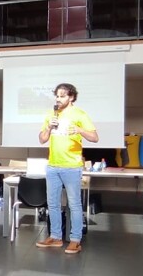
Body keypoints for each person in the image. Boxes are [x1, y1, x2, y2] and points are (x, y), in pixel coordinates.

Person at [36, 83, 98, 254]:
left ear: (71, 97)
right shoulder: (51, 115)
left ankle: (75, 240)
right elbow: (42, 139)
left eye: (62, 96)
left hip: (72, 167)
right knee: (53, 204)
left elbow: (94, 137)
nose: (58, 98)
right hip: (53, 166)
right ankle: (55, 237)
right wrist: (49, 127)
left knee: (74, 205)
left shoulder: (79, 114)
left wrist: (79, 129)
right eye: (57, 95)